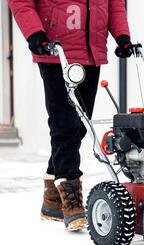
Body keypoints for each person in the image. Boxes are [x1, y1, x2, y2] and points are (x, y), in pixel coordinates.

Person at [7, 0, 134, 231]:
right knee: (64, 125)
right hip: (55, 52)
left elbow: (114, 5)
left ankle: (52, 201)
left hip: (91, 52)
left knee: (79, 125)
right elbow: (21, 3)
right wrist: (34, 34)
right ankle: (71, 199)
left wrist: (122, 37)